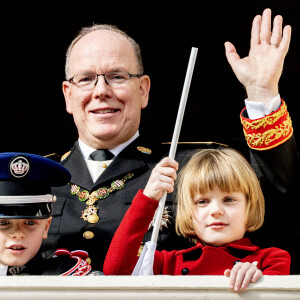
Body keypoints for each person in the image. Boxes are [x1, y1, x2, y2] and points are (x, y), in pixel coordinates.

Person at [41, 8, 297, 272]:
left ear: (143, 90)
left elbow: (272, 196)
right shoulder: (36, 180)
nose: (101, 91)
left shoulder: (188, 165)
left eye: (117, 77)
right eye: (86, 79)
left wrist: (262, 93)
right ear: (68, 95)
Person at [103, 148, 290, 292]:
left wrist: (258, 279)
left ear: (249, 207)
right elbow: (115, 270)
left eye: (229, 199)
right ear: (189, 212)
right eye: (202, 201)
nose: (216, 210)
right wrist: (148, 198)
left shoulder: (271, 259)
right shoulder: (168, 262)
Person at [0, 152, 92, 276]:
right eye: (3, 223)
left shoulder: (65, 275)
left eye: (30, 222)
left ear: (46, 227)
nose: (17, 234)